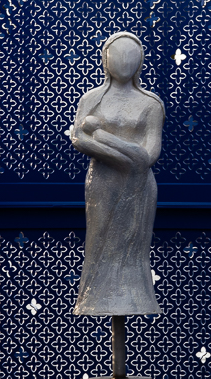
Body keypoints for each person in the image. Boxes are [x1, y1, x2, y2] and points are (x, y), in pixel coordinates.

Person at [70, 31, 164, 317]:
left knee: (132, 245)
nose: (124, 61)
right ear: (105, 60)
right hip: (101, 184)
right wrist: (124, 156)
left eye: (131, 56)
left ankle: (135, 297)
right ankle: (96, 297)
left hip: (138, 187)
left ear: (141, 62)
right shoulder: (92, 98)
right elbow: (78, 138)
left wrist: (102, 137)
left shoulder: (151, 104)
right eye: (117, 55)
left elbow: (148, 155)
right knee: (99, 239)